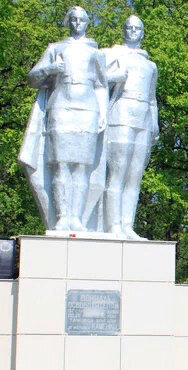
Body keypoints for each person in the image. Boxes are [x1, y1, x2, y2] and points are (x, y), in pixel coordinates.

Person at [19, 6, 108, 231]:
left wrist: (103, 113)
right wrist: (50, 68)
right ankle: (62, 216)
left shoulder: (96, 52)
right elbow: (32, 78)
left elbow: (101, 85)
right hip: (61, 107)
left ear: (87, 22)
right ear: (68, 22)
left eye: (82, 20)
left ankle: (76, 217)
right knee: (60, 165)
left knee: (82, 166)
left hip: (88, 109)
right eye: (74, 20)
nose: (78, 24)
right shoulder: (55, 48)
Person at [102, 15, 158, 239]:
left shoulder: (150, 65)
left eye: (137, 28)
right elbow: (98, 79)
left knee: (135, 176)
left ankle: (127, 225)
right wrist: (114, 76)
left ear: (142, 32)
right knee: (118, 173)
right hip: (121, 112)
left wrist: (155, 124)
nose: (133, 31)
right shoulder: (114, 55)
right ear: (124, 30)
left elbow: (152, 98)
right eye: (129, 27)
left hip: (143, 118)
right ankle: (113, 225)